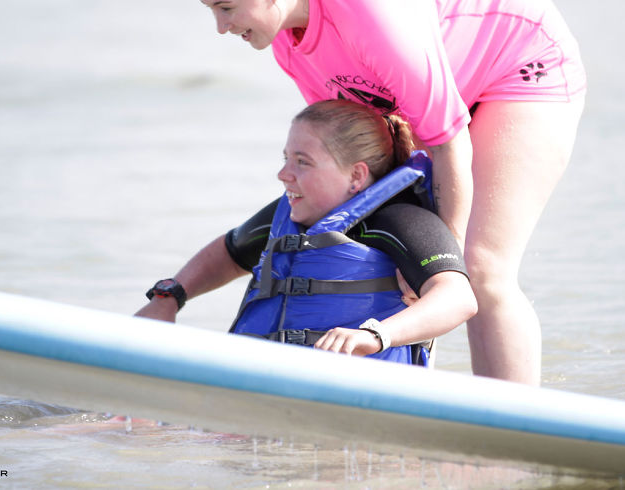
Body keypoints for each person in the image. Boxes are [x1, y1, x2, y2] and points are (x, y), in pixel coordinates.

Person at [184, 0, 586, 383]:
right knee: (390, 242)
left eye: (226, 7)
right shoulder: (288, 42)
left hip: (520, 65)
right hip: (445, 72)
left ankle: (514, 419)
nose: (220, 26)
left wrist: (440, 256)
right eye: (211, 10)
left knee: (478, 268)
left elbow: (447, 140)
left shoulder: (372, 16)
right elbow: (361, 151)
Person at [136, 100, 476, 364]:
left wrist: (376, 335)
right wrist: (169, 298)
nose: (283, 174)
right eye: (285, 158)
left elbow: (458, 299)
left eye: (302, 162)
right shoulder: (287, 217)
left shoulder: (400, 220)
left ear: (356, 176)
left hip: (356, 397)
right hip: (261, 383)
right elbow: (229, 253)